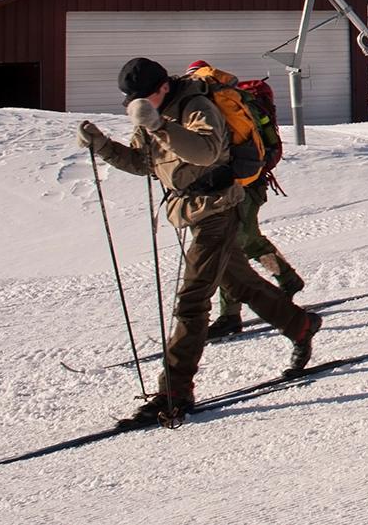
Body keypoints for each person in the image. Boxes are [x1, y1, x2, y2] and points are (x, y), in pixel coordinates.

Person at [76, 57, 320, 427]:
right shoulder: (153, 113)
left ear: (161, 88)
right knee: (241, 283)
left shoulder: (196, 105)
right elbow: (144, 164)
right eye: (131, 101)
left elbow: (206, 152)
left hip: (219, 210)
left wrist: (158, 125)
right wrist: (102, 145)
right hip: (191, 212)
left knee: (192, 301)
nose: (137, 106)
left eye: (143, 98)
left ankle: (173, 393)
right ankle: (299, 326)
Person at [184, 60, 304, 339]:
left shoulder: (213, 103)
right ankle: (286, 280)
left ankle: (231, 315)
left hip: (240, 185)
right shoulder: (229, 100)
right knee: (246, 242)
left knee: (233, 246)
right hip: (248, 182)